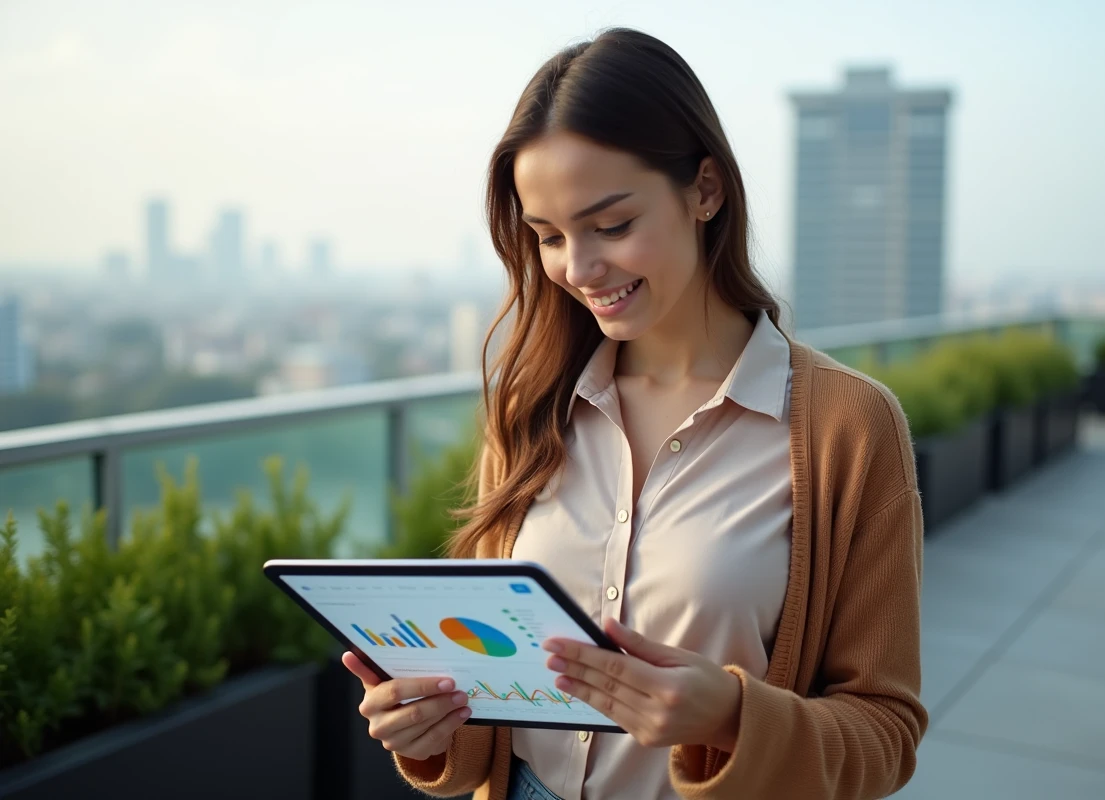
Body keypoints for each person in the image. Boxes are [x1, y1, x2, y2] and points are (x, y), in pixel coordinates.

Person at [342, 27, 927, 800]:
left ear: (706, 190)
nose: (579, 270)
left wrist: (732, 719)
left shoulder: (847, 429)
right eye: (549, 237)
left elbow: (885, 735)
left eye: (612, 226)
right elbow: (496, 689)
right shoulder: (530, 408)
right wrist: (432, 727)